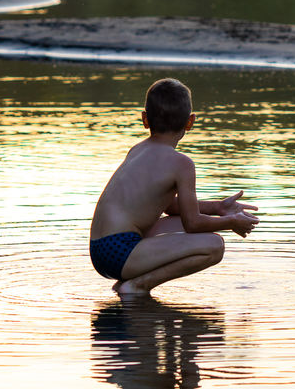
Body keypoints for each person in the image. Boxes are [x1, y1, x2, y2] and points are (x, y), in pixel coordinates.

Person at [89, 78, 259, 296]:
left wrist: (218, 208)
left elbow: (169, 207)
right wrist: (231, 222)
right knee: (214, 246)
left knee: (176, 222)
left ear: (145, 119)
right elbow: (193, 224)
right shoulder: (181, 163)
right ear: (190, 122)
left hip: (100, 250)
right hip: (120, 252)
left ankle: (129, 284)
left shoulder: (137, 150)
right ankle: (137, 285)